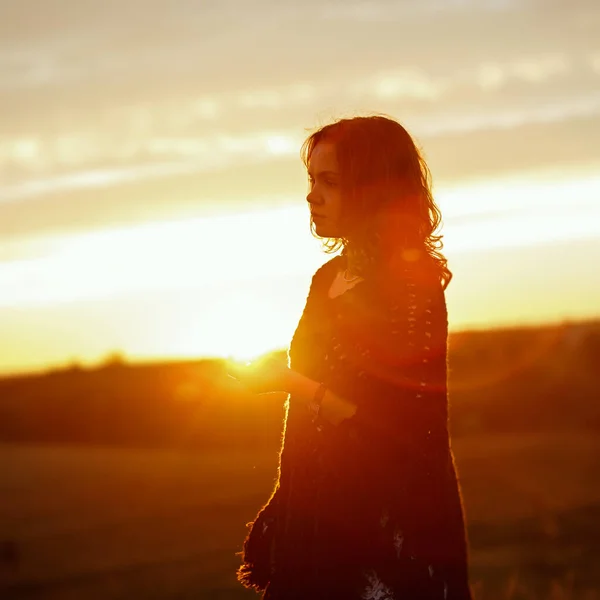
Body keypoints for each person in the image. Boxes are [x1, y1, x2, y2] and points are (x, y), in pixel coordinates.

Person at [227, 115, 472, 599]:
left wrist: (294, 383)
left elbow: (394, 431)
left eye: (330, 181)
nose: (311, 195)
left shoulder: (410, 290)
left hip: (385, 535)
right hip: (317, 516)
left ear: (371, 189)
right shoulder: (327, 280)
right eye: (312, 180)